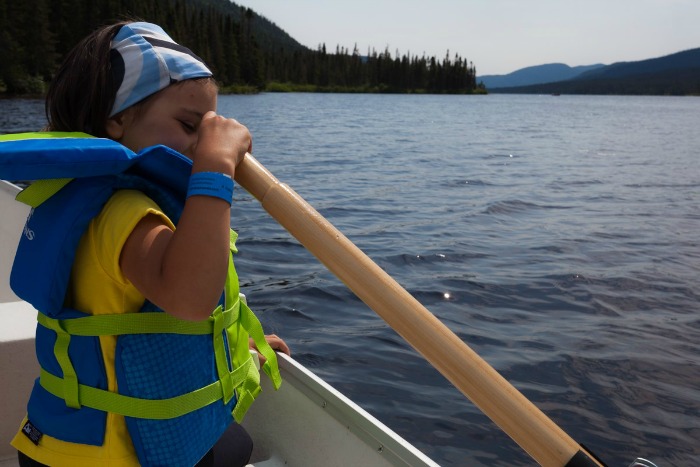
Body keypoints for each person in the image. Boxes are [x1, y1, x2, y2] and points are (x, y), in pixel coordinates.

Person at [7, 21, 290, 467]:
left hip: (77, 444)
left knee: (235, 443)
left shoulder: (106, 199)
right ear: (117, 119)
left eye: (209, 131)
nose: (201, 143)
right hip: (101, 459)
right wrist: (216, 164)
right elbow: (189, 297)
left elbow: (155, 325)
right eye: (189, 125)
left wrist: (236, 348)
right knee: (234, 448)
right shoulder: (122, 213)